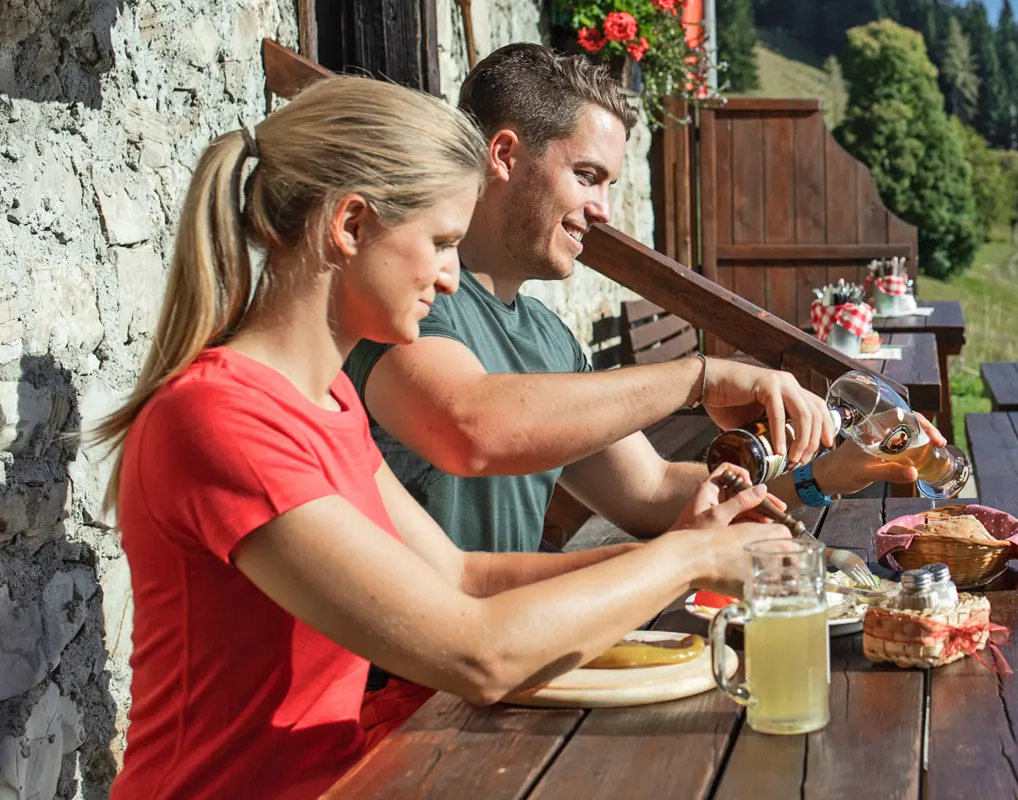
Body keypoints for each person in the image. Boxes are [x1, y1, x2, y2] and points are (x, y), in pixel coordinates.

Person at [90, 76, 788, 800]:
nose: (452, 278)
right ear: (352, 226)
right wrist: (684, 559)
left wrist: (698, 555)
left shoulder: (325, 398)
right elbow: (474, 652)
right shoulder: (222, 419)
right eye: (442, 242)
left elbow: (460, 576)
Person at [340, 44, 940, 736]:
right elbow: (471, 428)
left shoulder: (545, 334)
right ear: (504, 155)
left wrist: (826, 474)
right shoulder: (409, 304)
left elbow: (650, 490)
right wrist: (701, 375)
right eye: (587, 176)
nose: (601, 210)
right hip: (414, 704)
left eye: (609, 185)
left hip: (508, 681)